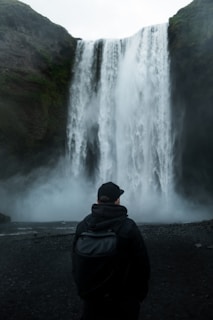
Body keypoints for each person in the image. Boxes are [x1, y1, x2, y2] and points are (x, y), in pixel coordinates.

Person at [72, 181, 150, 320]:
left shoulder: (83, 226)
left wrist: (83, 291)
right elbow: (142, 265)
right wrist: (139, 295)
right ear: (118, 200)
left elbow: (75, 262)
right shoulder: (128, 227)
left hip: (91, 299)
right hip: (123, 299)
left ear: (97, 200)